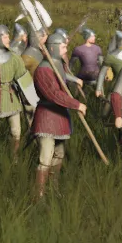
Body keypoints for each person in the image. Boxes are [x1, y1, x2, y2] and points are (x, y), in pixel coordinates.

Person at [31, 30, 88, 198]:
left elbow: (62, 78)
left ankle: (53, 187)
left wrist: (74, 79)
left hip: (60, 117)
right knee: (46, 157)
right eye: (63, 47)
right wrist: (76, 104)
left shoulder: (58, 64)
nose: (66, 49)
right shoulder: (43, 70)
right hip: (47, 117)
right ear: (53, 48)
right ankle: (39, 194)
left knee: (59, 154)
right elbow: (54, 94)